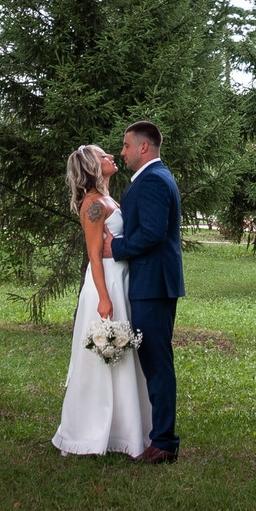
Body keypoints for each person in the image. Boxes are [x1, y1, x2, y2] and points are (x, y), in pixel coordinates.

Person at [51, 144, 152, 458]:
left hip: (121, 279)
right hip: (105, 283)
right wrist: (104, 299)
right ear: (94, 165)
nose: (111, 156)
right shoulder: (93, 204)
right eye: (104, 154)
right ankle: (88, 431)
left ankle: (124, 429)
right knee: (105, 355)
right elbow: (94, 256)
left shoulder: (109, 198)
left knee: (124, 356)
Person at [106, 120, 183, 464]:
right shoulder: (154, 177)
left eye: (125, 146)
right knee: (154, 360)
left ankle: (164, 442)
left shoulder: (152, 180)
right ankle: (159, 435)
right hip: (152, 283)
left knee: (157, 362)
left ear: (143, 147)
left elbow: (152, 233)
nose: (121, 153)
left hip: (153, 285)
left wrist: (117, 248)